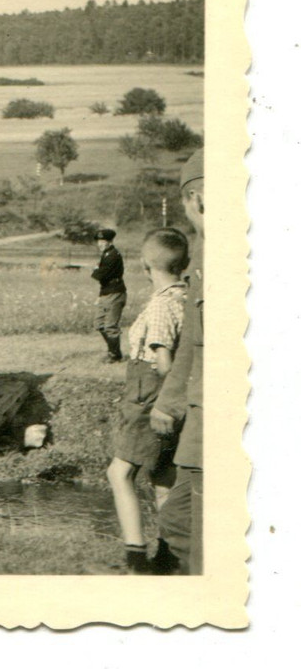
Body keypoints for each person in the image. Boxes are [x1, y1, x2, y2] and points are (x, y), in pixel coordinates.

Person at [105, 227, 190, 573]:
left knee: (119, 473)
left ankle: (136, 557)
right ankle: (169, 555)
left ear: (144, 264)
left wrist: (159, 402)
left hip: (149, 395)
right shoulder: (187, 297)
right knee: (162, 476)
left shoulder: (160, 306)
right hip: (170, 397)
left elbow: (164, 361)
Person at [150, 149, 205, 574]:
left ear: (196, 202)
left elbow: (191, 344)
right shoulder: (205, 253)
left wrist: (170, 401)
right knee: (179, 522)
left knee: (195, 531)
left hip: (212, 427)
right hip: (200, 417)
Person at [91, 227, 127, 362]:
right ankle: (113, 351)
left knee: (110, 326)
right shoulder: (106, 254)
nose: (100, 243)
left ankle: (115, 355)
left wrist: (96, 270)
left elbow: (100, 274)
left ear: (110, 241)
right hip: (106, 292)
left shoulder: (113, 255)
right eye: (98, 241)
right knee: (99, 323)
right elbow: (100, 275)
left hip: (115, 292)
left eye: (103, 241)